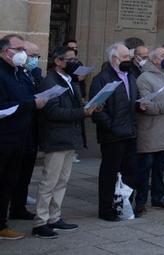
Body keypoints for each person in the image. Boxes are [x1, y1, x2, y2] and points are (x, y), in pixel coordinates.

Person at [31, 46, 96, 238]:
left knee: (62, 181)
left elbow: (74, 105)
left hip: (69, 137)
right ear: (58, 61)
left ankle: (54, 217)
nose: (74, 63)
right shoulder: (50, 81)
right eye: (70, 60)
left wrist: (89, 107)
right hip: (56, 137)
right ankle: (40, 221)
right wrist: (81, 112)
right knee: (49, 182)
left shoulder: (70, 81)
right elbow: (52, 111)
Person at [0, 34, 48, 240]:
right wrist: (30, 104)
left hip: (19, 136)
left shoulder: (18, 72)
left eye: (23, 50)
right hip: (4, 137)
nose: (22, 54)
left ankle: (2, 223)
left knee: (9, 181)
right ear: (4, 51)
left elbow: (23, 96)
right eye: (18, 49)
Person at [89, 42, 140, 222]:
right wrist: (111, 126)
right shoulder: (102, 79)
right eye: (125, 57)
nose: (129, 60)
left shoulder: (130, 76)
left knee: (130, 171)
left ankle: (124, 205)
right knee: (109, 173)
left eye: (129, 57)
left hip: (130, 132)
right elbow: (96, 109)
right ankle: (106, 208)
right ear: (114, 59)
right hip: (112, 135)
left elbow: (132, 100)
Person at [134, 47, 164, 216]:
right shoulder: (144, 78)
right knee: (145, 168)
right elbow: (146, 106)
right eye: (163, 56)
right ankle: (140, 201)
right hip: (151, 130)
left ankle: (158, 197)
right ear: (154, 60)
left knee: (159, 168)